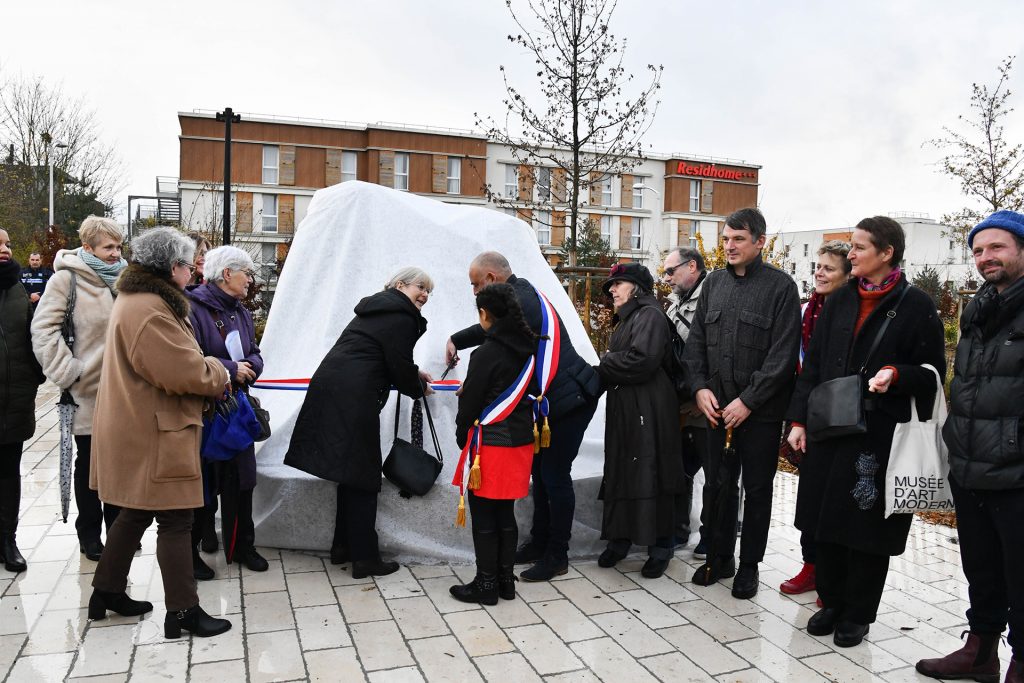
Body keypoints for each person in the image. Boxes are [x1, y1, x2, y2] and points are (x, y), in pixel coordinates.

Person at [787, 216, 945, 648]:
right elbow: (814, 365)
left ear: (886, 251)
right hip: (829, 428)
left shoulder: (916, 305)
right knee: (825, 520)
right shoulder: (839, 301)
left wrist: (897, 374)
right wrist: (799, 420)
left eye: (858, 247)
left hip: (879, 433)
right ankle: (833, 602)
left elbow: (934, 374)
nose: (850, 254)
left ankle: (859, 613)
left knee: (868, 527)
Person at [88, 227, 232, 639]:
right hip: (157, 430)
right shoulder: (150, 308)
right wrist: (218, 369)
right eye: (190, 264)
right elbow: (183, 372)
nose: (194, 272)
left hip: (144, 425)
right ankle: (184, 612)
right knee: (176, 519)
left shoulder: (141, 300)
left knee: (135, 512)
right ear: (173, 268)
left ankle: (107, 591)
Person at [446, 252, 600, 582]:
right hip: (552, 402)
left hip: (569, 400)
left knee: (554, 477)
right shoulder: (521, 294)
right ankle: (539, 542)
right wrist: (459, 343)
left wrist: (472, 371)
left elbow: (493, 334)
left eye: (475, 284)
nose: (474, 292)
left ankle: (557, 555)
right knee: (543, 476)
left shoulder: (522, 302)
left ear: (490, 278)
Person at [916, 210, 1024, 683]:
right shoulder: (980, 306)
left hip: (1017, 470)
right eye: (978, 250)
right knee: (980, 568)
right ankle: (980, 652)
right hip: (970, 464)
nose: (985, 258)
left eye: (997, 247)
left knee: (1021, 576)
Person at [682, 207, 801, 600]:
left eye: (738, 239)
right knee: (718, 485)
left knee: (757, 489)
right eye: (726, 239)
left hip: (760, 414)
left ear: (760, 242)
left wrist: (748, 402)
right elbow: (696, 341)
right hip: (715, 410)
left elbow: (783, 356)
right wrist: (699, 388)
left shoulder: (781, 288)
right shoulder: (713, 283)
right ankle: (719, 557)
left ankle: (749, 565)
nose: (729, 246)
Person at [286, 267, 435, 579]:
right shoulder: (402, 315)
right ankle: (365, 558)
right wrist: (417, 385)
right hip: (354, 396)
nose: (424, 294)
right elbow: (396, 362)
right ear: (400, 284)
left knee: (349, 472)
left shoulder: (378, 308)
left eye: (428, 291)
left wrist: (412, 372)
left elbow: (380, 353)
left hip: (333, 387)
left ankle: (343, 547)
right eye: (420, 287)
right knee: (365, 477)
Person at [32, 216, 128, 561]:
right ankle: (89, 535)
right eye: (108, 247)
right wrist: (70, 373)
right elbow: (43, 331)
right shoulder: (65, 280)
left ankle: (120, 533)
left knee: (121, 466)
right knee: (90, 467)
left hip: (126, 394)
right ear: (87, 248)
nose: (116, 253)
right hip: (87, 392)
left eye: (119, 246)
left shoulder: (126, 279)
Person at [449, 284, 538, 605]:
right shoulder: (529, 347)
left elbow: (470, 404)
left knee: (485, 517)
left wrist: (462, 438)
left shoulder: (485, 353)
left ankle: (485, 585)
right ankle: (504, 581)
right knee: (505, 515)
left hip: (491, 446)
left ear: (485, 314)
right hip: (521, 443)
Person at [595, 263, 684, 578]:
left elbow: (642, 361)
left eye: (618, 284)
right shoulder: (629, 318)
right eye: (610, 286)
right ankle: (620, 539)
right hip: (629, 405)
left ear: (637, 287)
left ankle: (661, 547)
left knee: (651, 470)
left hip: (649, 406)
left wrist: (606, 361)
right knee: (623, 467)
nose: (612, 291)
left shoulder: (649, 315)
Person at [186, 246, 267, 579]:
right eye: (246, 272)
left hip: (237, 412)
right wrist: (232, 368)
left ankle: (242, 546)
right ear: (226, 274)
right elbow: (190, 358)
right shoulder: (192, 308)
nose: (250, 279)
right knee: (203, 485)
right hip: (204, 411)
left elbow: (255, 353)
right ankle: (193, 550)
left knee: (242, 481)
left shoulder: (242, 312)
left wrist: (250, 367)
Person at [779, 240, 852, 599]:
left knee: (835, 500)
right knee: (808, 498)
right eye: (817, 267)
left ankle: (833, 573)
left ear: (847, 275)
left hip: (841, 418)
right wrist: (797, 419)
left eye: (828, 268)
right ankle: (812, 565)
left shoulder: (850, 313)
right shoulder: (807, 310)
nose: (819, 274)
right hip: (807, 414)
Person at [0, 229, 45, 573]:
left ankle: (7, 540)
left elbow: (33, 335)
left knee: (8, 472)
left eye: (8, 243)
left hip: (14, 397)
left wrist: (35, 374)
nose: (5, 249)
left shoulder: (16, 287)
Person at [662, 246, 710, 556]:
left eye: (671, 270)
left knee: (716, 476)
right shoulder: (673, 304)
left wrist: (701, 397)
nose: (666, 278)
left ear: (692, 266)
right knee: (681, 471)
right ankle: (678, 529)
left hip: (708, 404)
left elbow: (716, 354)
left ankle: (711, 535)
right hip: (682, 404)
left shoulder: (711, 298)